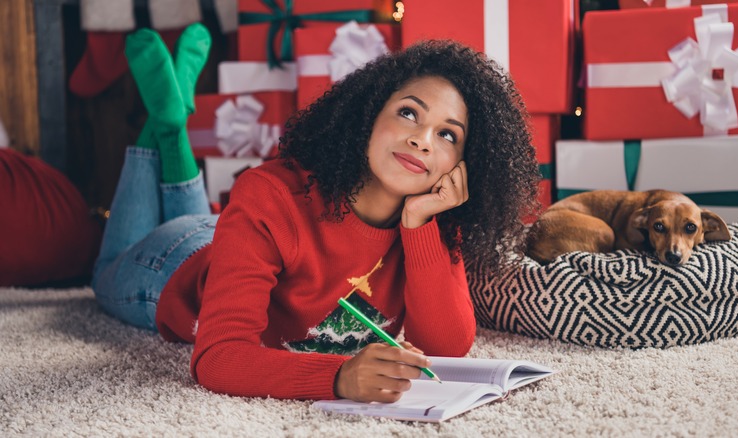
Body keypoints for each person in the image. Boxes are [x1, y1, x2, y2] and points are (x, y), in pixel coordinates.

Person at [92, 25, 540, 403]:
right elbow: (218, 358)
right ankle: (166, 127)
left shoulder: (432, 219)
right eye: (409, 113)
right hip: (170, 267)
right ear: (369, 113)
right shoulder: (271, 194)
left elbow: (446, 347)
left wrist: (420, 224)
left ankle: (170, 122)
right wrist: (338, 378)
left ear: (462, 164)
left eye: (447, 135)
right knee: (103, 270)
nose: (424, 140)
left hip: (230, 234)